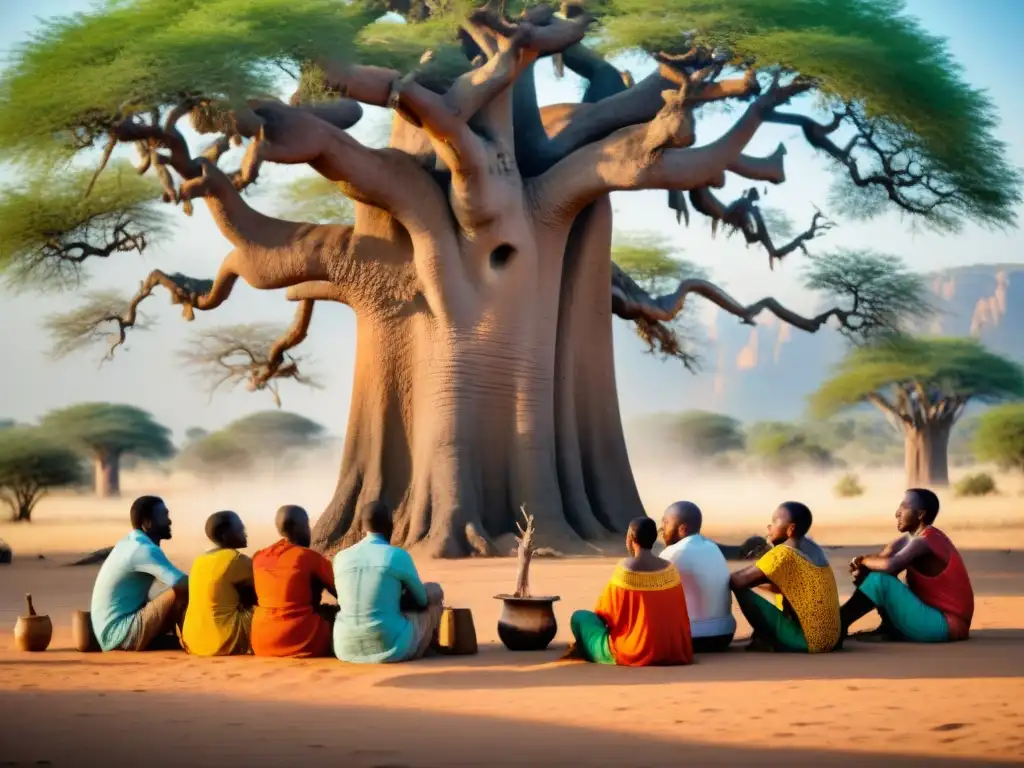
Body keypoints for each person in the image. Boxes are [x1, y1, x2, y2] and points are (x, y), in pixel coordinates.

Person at [840, 489, 974, 643]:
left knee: (880, 580)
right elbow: (882, 559)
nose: (897, 513)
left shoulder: (925, 541)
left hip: (946, 625)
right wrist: (862, 568)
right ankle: (887, 627)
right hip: (932, 619)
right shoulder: (909, 539)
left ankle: (837, 625)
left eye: (904, 507)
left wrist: (863, 560)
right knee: (872, 574)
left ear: (920, 514)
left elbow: (890, 565)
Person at [569, 517, 693, 666]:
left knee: (580, 617)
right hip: (671, 650)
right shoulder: (671, 570)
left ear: (630, 538)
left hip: (632, 651)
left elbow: (604, 615)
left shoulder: (625, 570)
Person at [332, 501, 445, 663]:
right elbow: (422, 600)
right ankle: (426, 646)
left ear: (362, 528)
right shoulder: (396, 555)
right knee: (434, 592)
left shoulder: (340, 557)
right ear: (390, 526)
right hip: (391, 648)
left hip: (344, 648)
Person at [729, 502, 841, 653]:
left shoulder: (783, 553)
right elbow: (783, 586)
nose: (769, 528)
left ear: (790, 529)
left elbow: (737, 580)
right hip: (830, 639)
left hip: (807, 642)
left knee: (739, 588)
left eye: (775, 522)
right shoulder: (814, 549)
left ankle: (767, 639)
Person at [90, 495, 189, 652]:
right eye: (164, 516)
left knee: (172, 593)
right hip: (118, 634)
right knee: (180, 590)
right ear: (147, 523)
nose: (169, 521)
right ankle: (192, 639)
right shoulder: (144, 550)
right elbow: (182, 583)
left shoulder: (131, 543)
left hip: (109, 633)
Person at [252, 505, 338, 658]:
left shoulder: (259, 557)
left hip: (261, 642)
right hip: (299, 638)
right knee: (336, 615)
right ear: (298, 527)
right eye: (306, 525)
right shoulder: (308, 557)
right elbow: (340, 593)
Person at [659, 501, 736, 652]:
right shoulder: (713, 547)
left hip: (691, 638)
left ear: (682, 529)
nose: (662, 529)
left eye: (666, 523)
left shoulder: (672, 553)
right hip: (724, 636)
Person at [181, 511, 256, 656]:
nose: (244, 532)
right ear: (224, 534)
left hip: (193, 641)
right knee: (272, 607)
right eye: (240, 528)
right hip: (222, 641)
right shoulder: (234, 559)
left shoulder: (199, 560)